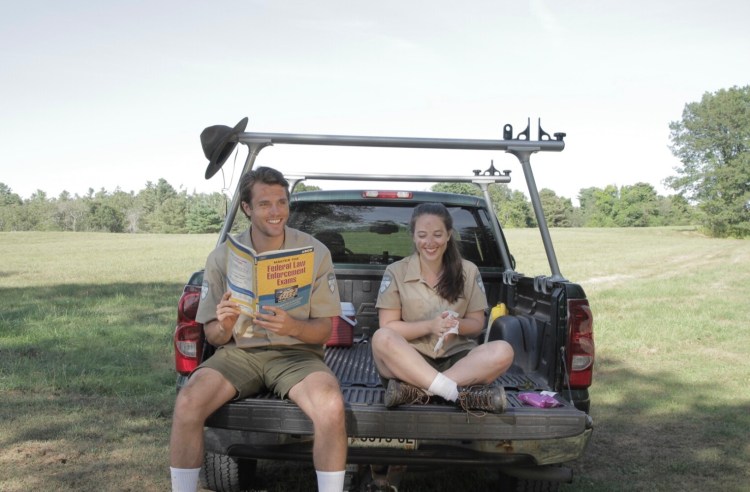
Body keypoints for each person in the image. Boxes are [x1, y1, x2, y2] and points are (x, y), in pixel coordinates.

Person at [169, 167, 347, 492]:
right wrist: (223, 325)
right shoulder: (222, 257)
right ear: (247, 208)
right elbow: (214, 337)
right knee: (188, 400)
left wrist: (292, 325)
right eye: (265, 204)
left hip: (295, 355)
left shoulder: (314, 252)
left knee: (331, 405)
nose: (276, 212)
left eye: (281, 202)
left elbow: (323, 332)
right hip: (239, 353)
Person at [371, 203, 514, 413]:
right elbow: (388, 326)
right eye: (422, 235)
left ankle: (419, 393)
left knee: (503, 350)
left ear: (448, 234)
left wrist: (456, 325)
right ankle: (455, 393)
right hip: (410, 361)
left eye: (437, 234)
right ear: (413, 236)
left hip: (458, 362)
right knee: (381, 338)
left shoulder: (468, 271)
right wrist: (430, 326)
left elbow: (476, 325)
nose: (429, 242)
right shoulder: (396, 271)